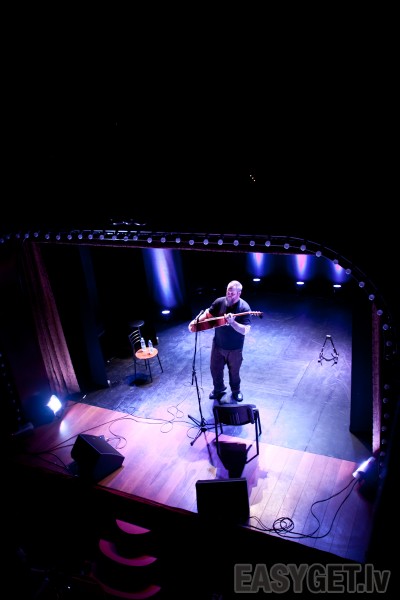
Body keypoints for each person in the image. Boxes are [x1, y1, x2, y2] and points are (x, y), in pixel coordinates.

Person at [188, 280, 251, 403]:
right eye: (228, 292)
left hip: (235, 348)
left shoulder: (244, 307)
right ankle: (218, 389)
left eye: (233, 293)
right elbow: (208, 314)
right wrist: (196, 322)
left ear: (239, 293)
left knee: (234, 372)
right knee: (215, 369)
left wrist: (233, 322)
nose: (229, 295)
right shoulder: (219, 302)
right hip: (218, 344)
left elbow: (245, 330)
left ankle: (236, 390)